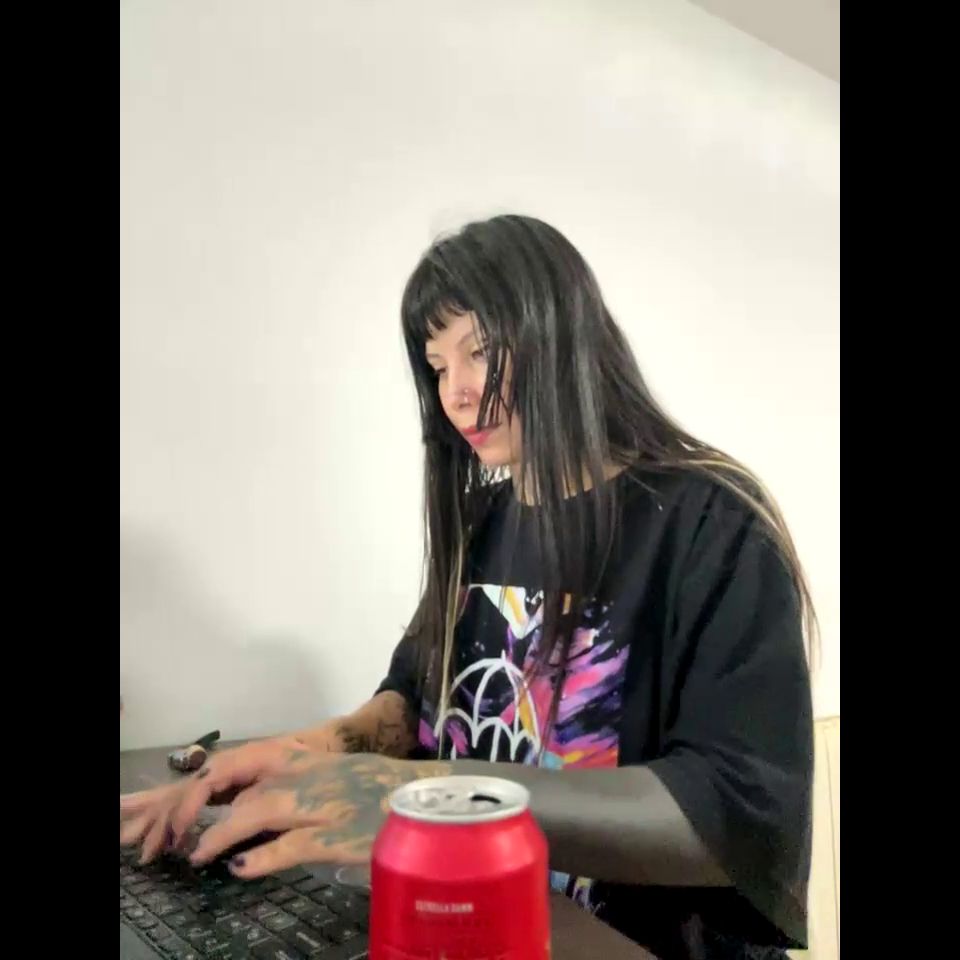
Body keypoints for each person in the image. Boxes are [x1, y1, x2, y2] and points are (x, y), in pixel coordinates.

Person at [120, 215, 815, 960]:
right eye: (437, 365)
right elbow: (412, 701)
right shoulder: (485, 521)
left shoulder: (714, 522)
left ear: (564, 334)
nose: (455, 391)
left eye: (479, 351)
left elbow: (734, 813)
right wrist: (303, 753)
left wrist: (414, 796)